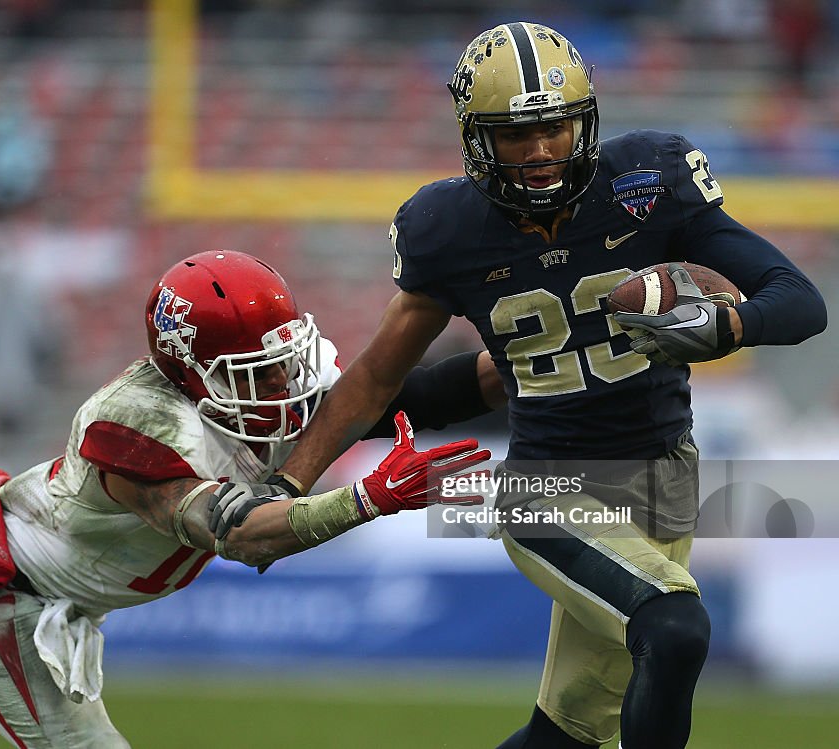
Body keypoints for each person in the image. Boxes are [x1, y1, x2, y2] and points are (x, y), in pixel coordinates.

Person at [232, 21, 827, 749]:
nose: (540, 151)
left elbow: (798, 300)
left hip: (663, 479)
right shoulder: (448, 227)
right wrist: (287, 485)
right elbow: (374, 381)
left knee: (567, 735)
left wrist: (731, 328)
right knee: (673, 627)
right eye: (515, 135)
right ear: (477, 139)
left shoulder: (648, 185)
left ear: (585, 122)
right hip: (547, 484)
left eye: (554, 127)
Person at [0, 250, 496, 747]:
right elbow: (244, 534)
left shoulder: (243, 397)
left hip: (52, 588)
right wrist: (366, 499)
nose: (286, 383)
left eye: (284, 360)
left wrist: (525, 364)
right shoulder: (137, 426)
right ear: (192, 370)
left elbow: (412, 397)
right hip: (3, 593)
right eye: (260, 370)